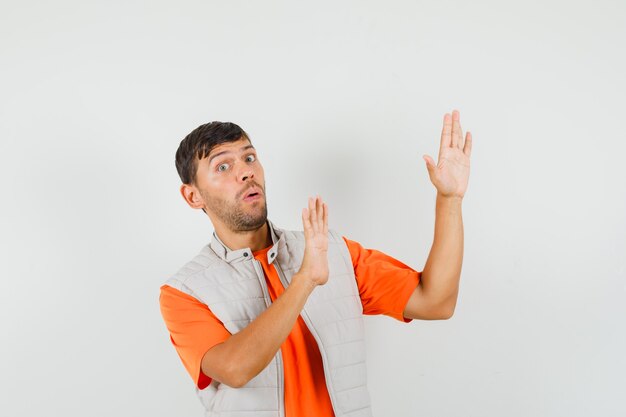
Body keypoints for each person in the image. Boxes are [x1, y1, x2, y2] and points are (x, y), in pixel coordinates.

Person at [159, 111, 471, 417]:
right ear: (193, 196)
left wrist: (450, 200)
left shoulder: (330, 249)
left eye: (250, 158)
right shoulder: (185, 291)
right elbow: (234, 369)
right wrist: (305, 280)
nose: (245, 172)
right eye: (223, 166)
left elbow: (435, 302)